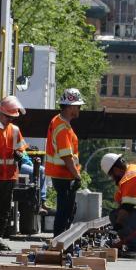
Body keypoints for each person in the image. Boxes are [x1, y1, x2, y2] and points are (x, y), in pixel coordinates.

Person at [0, 95, 28, 250]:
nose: (9, 120)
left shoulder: (15, 130)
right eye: (7, 116)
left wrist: (20, 154)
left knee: (4, 208)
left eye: (11, 117)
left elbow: (21, 148)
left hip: (8, 176)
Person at [45, 87, 85, 236]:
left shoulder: (58, 121)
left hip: (61, 174)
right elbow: (67, 156)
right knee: (65, 210)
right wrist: (77, 176)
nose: (79, 108)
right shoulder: (62, 127)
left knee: (67, 208)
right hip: (64, 174)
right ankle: (60, 240)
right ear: (70, 107)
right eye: (78, 106)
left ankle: (60, 240)